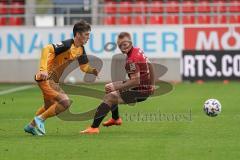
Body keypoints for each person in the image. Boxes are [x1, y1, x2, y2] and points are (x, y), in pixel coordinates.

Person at [24, 20, 98, 136]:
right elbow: (46, 49)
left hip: (53, 80)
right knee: (65, 102)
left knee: (48, 106)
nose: (88, 38)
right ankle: (40, 120)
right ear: (78, 34)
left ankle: (31, 126)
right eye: (86, 35)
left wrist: (91, 70)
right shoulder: (67, 44)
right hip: (46, 78)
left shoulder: (81, 49)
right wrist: (43, 69)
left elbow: (84, 67)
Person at [80, 32, 155, 134]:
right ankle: (115, 118)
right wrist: (152, 84)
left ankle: (94, 128)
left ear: (130, 43)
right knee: (109, 89)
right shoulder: (138, 50)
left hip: (140, 91)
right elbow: (150, 65)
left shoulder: (131, 60)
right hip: (143, 87)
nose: (122, 48)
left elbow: (135, 81)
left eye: (124, 44)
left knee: (109, 97)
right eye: (120, 45)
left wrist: (118, 86)